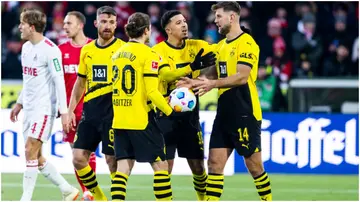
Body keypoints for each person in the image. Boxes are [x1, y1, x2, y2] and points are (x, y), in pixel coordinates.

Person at [178, 2, 272, 201]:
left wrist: (212, 85)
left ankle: (267, 199)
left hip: (244, 111)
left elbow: (242, 77)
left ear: (232, 17)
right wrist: (192, 82)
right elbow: (211, 74)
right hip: (224, 113)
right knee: (214, 164)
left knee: (254, 166)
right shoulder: (220, 46)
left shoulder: (247, 43)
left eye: (219, 16)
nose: (215, 21)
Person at [110, 12, 184, 201]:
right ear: (146, 30)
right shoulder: (149, 54)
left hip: (120, 118)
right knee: (161, 166)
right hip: (141, 118)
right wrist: (170, 112)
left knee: (123, 168)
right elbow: (152, 92)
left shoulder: (117, 54)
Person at [10, 8, 79, 201]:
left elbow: (59, 82)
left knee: (29, 150)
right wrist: (19, 103)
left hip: (44, 110)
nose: (19, 27)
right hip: (29, 109)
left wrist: (64, 113)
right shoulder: (26, 48)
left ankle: (26, 198)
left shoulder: (51, 50)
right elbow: (28, 80)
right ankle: (68, 190)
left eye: (22, 24)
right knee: (37, 158)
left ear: (32, 27)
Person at [152, 10, 216, 200]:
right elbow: (164, 75)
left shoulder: (197, 46)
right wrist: (193, 67)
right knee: (165, 168)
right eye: (179, 22)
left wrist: (207, 77)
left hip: (190, 115)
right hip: (165, 115)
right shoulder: (157, 51)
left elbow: (221, 54)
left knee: (198, 167)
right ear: (168, 29)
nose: (184, 25)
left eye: (185, 21)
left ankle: (203, 198)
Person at [67, 6, 125, 201]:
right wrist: (69, 110)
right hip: (90, 114)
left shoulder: (123, 49)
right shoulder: (88, 50)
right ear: (96, 23)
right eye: (103, 21)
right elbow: (80, 82)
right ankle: (99, 198)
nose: (107, 26)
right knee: (78, 158)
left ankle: (118, 198)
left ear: (116, 24)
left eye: (111, 22)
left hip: (114, 114)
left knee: (112, 161)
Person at [58, 11, 95, 201]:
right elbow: (57, 82)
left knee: (87, 152)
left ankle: (90, 191)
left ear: (80, 25)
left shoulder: (94, 48)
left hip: (92, 109)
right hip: (70, 112)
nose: (65, 26)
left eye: (68, 23)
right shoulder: (60, 50)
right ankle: (88, 191)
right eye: (64, 23)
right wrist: (63, 109)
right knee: (76, 154)